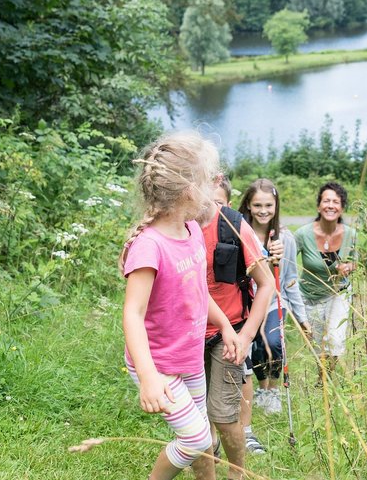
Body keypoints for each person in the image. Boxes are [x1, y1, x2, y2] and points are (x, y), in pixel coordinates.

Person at [119, 131, 243, 480]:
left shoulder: (190, 230)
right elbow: (132, 314)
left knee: (199, 431)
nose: (215, 186)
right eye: (210, 180)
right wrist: (147, 378)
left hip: (189, 360)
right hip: (158, 365)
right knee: (197, 438)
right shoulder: (150, 246)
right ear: (189, 190)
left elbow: (198, 294)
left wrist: (227, 327)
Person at [202, 176, 275, 479]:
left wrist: (245, 337)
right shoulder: (173, 224)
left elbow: (267, 283)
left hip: (228, 334)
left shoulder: (233, 226)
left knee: (223, 413)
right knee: (195, 418)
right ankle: (206, 472)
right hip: (186, 335)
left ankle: (237, 472)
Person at [239, 179, 311, 415]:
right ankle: (262, 389)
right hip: (247, 303)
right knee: (257, 348)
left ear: (276, 206)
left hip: (273, 303)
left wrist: (301, 317)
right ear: (248, 205)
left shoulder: (284, 238)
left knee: (273, 344)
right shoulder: (240, 233)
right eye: (257, 205)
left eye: (269, 205)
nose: (263, 211)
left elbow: (290, 280)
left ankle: (273, 389)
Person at [294, 182, 356, 383]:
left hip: (339, 292)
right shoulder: (303, 234)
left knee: (335, 340)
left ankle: (324, 380)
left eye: (336, 202)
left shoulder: (350, 234)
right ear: (319, 206)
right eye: (326, 200)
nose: (331, 205)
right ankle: (320, 373)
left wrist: (349, 267)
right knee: (318, 343)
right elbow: (285, 261)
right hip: (310, 296)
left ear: (342, 208)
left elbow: (356, 261)